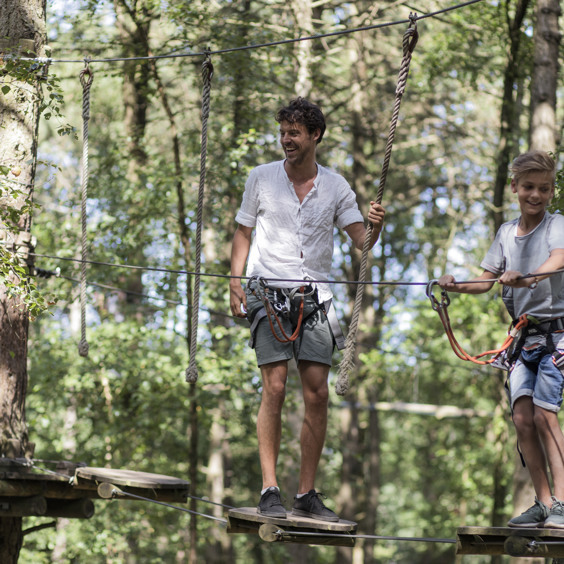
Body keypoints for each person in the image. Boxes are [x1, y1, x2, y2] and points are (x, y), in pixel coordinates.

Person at [229, 97, 385, 522]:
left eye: (294, 133)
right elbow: (243, 231)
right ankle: (269, 489)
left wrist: (376, 223)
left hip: (314, 297)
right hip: (266, 291)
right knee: (275, 387)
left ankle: (307, 493)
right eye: (283, 132)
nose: (286, 140)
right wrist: (234, 281)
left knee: (316, 392)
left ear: (315, 135)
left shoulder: (336, 186)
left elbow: (362, 241)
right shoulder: (261, 178)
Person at [438, 150, 564, 528]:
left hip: (557, 334)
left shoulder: (556, 224)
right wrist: (454, 286)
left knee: (544, 415)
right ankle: (543, 502)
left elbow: (558, 258)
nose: (536, 196)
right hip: (524, 339)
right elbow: (485, 280)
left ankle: (563, 503)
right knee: (522, 418)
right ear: (515, 188)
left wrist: (526, 277)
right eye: (528, 187)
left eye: (544, 189)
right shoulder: (507, 234)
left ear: (552, 191)